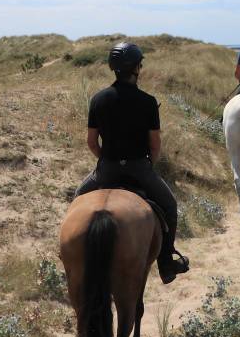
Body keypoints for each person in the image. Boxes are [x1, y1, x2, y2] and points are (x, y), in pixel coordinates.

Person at [75, 42, 190, 284]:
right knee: (169, 205)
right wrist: (148, 164)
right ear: (137, 68)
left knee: (77, 200)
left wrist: (106, 161)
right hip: (140, 169)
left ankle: (73, 254)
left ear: (113, 68)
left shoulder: (98, 99)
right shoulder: (148, 101)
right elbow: (155, 146)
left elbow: (92, 142)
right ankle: (167, 264)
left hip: (107, 169)